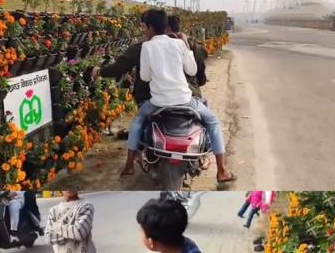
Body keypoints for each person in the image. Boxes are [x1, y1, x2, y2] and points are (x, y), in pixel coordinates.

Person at [93, 10, 234, 184]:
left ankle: (129, 164)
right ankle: (221, 170)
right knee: (212, 121)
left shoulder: (145, 46)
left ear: (150, 27)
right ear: (167, 26)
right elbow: (193, 70)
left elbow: (144, 77)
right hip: (185, 100)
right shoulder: (181, 43)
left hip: (158, 102)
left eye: (145, 27)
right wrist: (185, 47)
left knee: (137, 122)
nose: (144, 30)